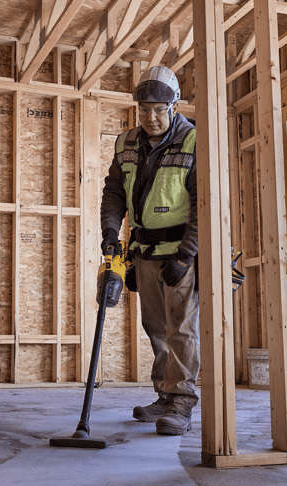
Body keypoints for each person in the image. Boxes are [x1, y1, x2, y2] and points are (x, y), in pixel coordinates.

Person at [99, 66, 199, 436]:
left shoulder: (192, 142)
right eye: (144, 110)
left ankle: (182, 402)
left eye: (159, 109)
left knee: (182, 330)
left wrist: (185, 255)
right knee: (155, 326)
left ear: (173, 106)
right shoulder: (125, 143)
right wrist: (110, 230)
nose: (151, 118)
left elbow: (203, 203)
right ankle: (164, 394)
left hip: (179, 253)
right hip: (144, 251)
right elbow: (113, 191)